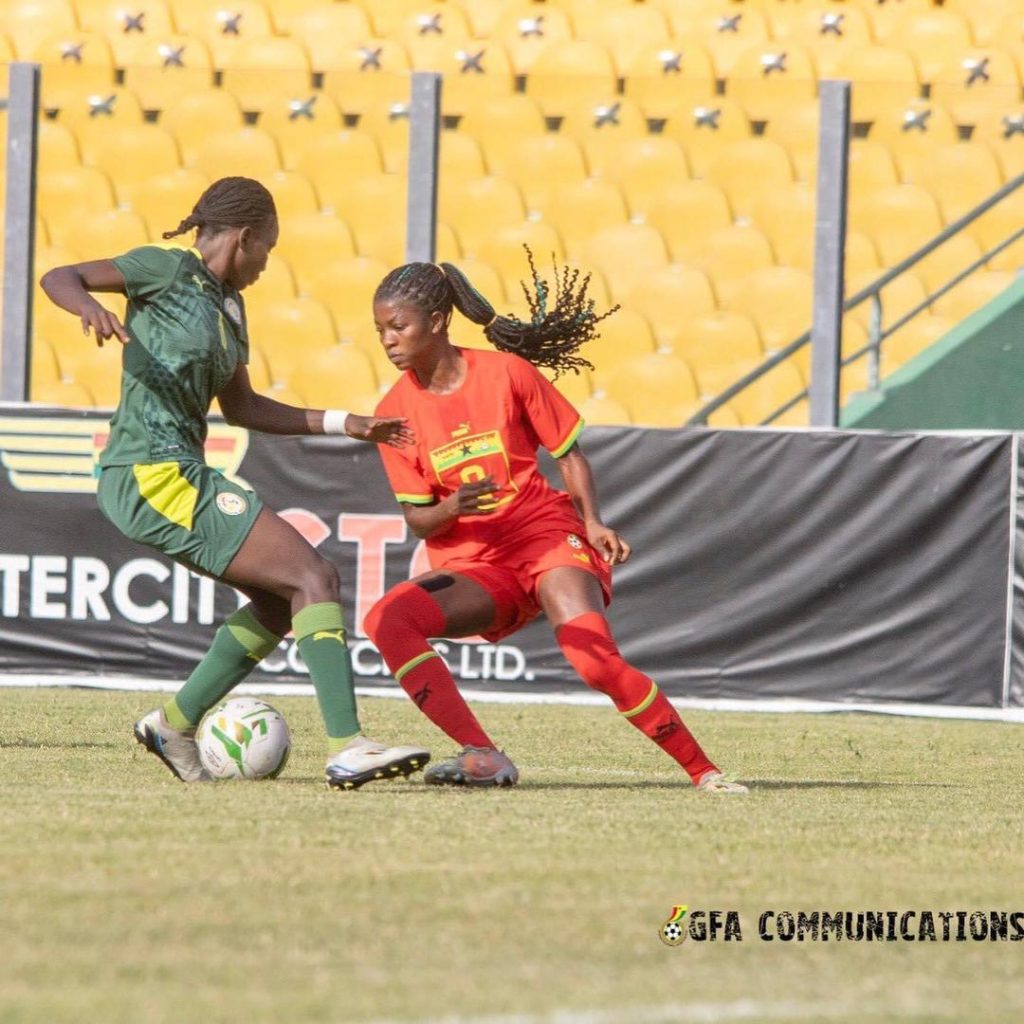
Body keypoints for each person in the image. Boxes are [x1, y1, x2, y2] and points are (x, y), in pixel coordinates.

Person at [40, 176, 429, 788]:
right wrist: (88, 305)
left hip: (179, 470)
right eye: (268, 250)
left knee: (280, 602)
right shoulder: (162, 269)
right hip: (148, 471)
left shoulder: (228, 306)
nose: (266, 266)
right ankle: (348, 744)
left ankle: (173, 724)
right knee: (314, 576)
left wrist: (343, 423)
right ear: (245, 238)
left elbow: (243, 407)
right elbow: (59, 276)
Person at [363, 254, 747, 793]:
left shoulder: (507, 373)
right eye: (380, 329)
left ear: (439, 322)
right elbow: (419, 521)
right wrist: (452, 508)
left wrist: (592, 522)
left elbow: (569, 456)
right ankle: (484, 755)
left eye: (398, 326)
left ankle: (704, 772)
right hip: (475, 564)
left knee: (593, 662)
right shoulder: (394, 414)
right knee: (386, 620)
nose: (387, 339)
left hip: (544, 538)